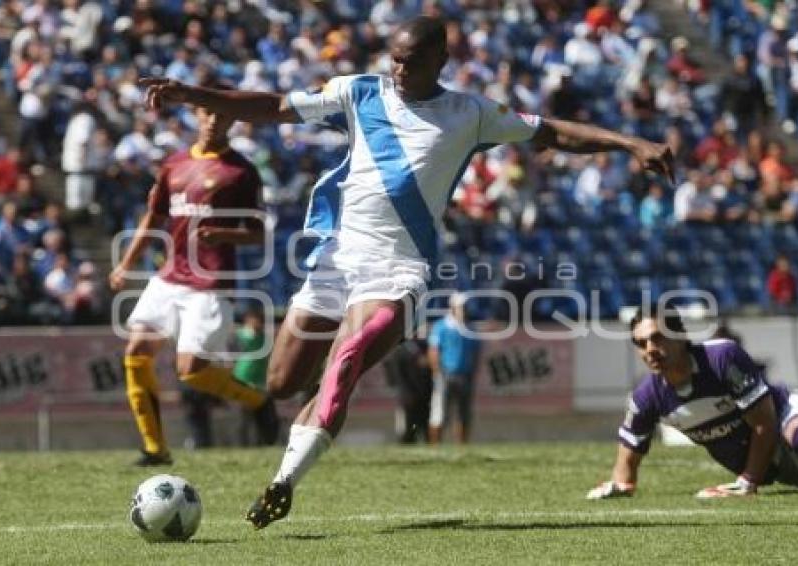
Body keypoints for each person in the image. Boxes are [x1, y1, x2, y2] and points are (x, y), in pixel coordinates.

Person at [141, 15, 675, 528]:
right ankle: (317, 407)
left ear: (440, 60)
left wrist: (631, 144)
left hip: (397, 272)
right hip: (334, 264)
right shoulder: (358, 91)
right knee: (282, 383)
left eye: (411, 61)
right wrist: (194, 94)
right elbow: (274, 105)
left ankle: (283, 482)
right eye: (394, 59)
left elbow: (553, 133)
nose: (398, 70)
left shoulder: (471, 113)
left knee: (344, 360)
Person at [109, 88, 270, 466]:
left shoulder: (241, 172)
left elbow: (258, 232)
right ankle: (155, 449)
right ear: (196, 115)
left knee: (191, 372)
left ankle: (259, 402)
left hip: (210, 282)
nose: (214, 121)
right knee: (135, 354)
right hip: (169, 276)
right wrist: (126, 262)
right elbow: (154, 217)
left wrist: (225, 234)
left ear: (232, 120)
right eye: (208, 113)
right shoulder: (174, 165)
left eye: (222, 115)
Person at [587, 304, 798, 500]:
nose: (650, 349)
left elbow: (765, 422)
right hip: (770, 462)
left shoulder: (721, 357)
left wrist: (748, 481)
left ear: (680, 335)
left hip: (785, 415)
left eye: (657, 338)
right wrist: (619, 486)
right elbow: (627, 464)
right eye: (641, 343)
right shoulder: (646, 397)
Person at [428, 293, 481, 444]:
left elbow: (476, 352)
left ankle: (461, 445)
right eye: (460, 307)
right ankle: (435, 445)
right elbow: (434, 350)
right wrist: (437, 372)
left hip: (464, 375)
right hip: (446, 374)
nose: (464, 310)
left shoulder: (471, 329)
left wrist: (473, 372)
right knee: (439, 413)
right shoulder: (442, 327)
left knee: (463, 413)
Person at [234, 308, 281, 446]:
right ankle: (242, 445)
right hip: (243, 378)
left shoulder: (264, 337)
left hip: (259, 379)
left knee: (260, 415)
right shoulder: (240, 334)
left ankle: (261, 442)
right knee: (242, 416)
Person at [382, 338, 433, 444]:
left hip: (422, 393)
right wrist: (403, 392)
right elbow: (394, 373)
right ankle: (407, 443)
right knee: (407, 425)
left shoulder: (423, 346)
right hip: (407, 395)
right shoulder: (399, 351)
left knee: (423, 423)